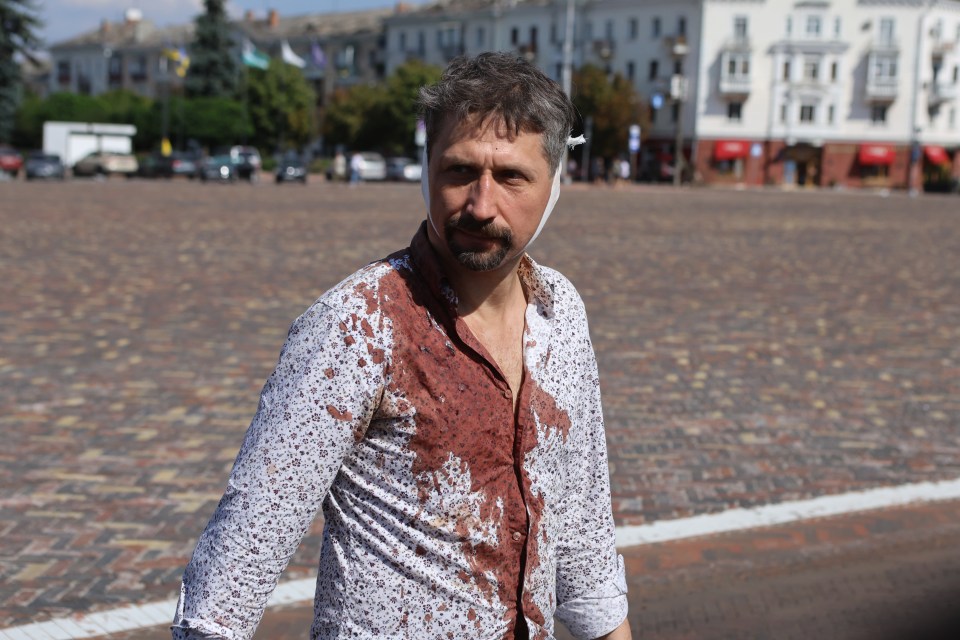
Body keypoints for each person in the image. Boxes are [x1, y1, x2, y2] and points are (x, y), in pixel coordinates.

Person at [172, 52, 631, 640]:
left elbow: (584, 547)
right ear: (427, 171)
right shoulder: (359, 322)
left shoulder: (560, 313)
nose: (481, 204)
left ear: (554, 186)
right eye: (459, 171)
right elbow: (235, 570)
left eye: (511, 177)